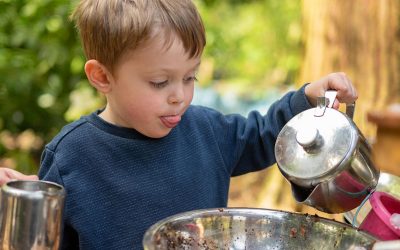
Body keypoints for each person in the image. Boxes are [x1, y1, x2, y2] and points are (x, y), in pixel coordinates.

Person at [0, 0, 358, 249]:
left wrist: (307, 99)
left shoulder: (207, 131)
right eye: (160, 82)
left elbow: (267, 136)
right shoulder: (71, 156)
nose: (180, 97)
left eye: (190, 78)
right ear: (102, 77)